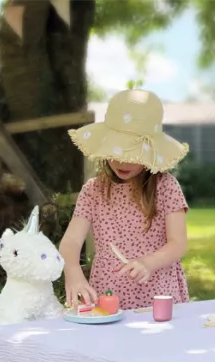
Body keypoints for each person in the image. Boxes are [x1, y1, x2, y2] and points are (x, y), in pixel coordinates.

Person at [59, 89, 191, 311]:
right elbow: (71, 241)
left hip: (158, 296)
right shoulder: (94, 190)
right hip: (109, 295)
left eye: (132, 154)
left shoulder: (166, 187)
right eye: (115, 151)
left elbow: (178, 243)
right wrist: (73, 271)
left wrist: (148, 263)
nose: (121, 161)